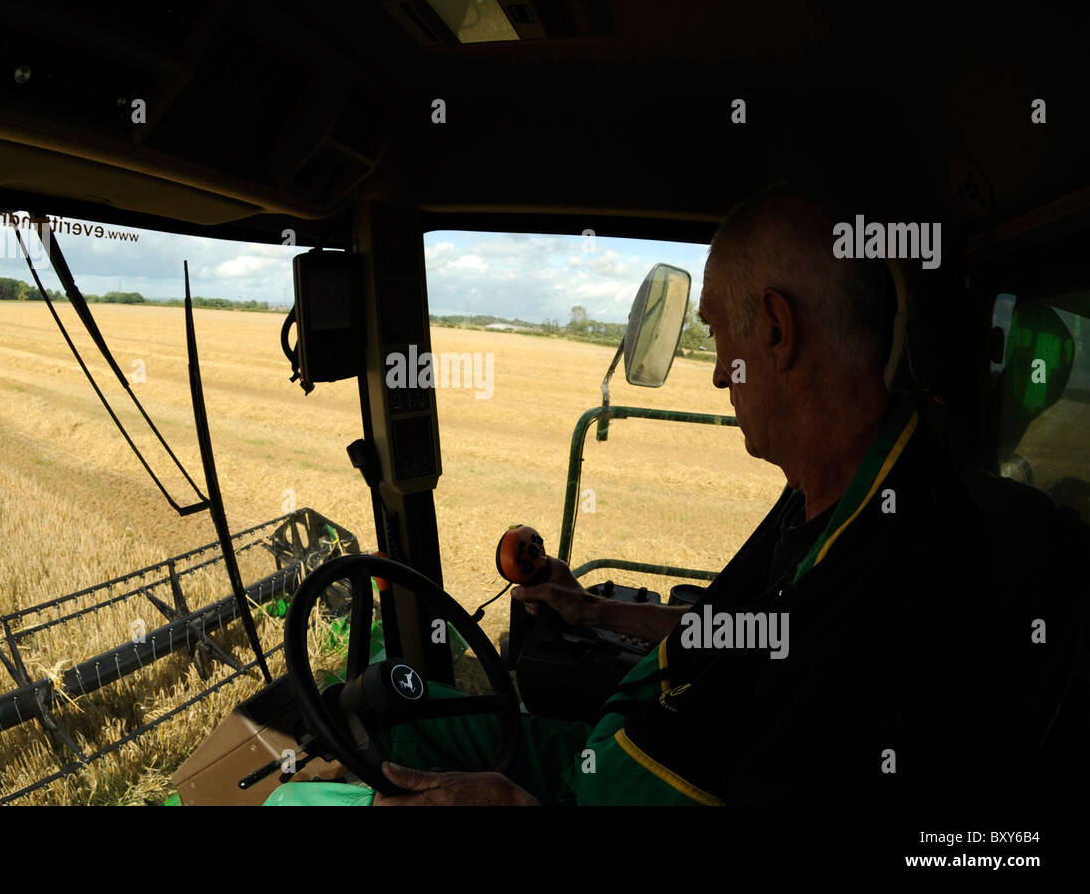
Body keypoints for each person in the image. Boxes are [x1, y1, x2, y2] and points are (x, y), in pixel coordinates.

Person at [269, 183, 1020, 806]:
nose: (721, 375)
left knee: (322, 790)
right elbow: (737, 636)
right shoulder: (834, 496)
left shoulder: (895, 576)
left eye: (723, 338)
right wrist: (591, 610)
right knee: (399, 726)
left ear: (777, 330)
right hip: (604, 756)